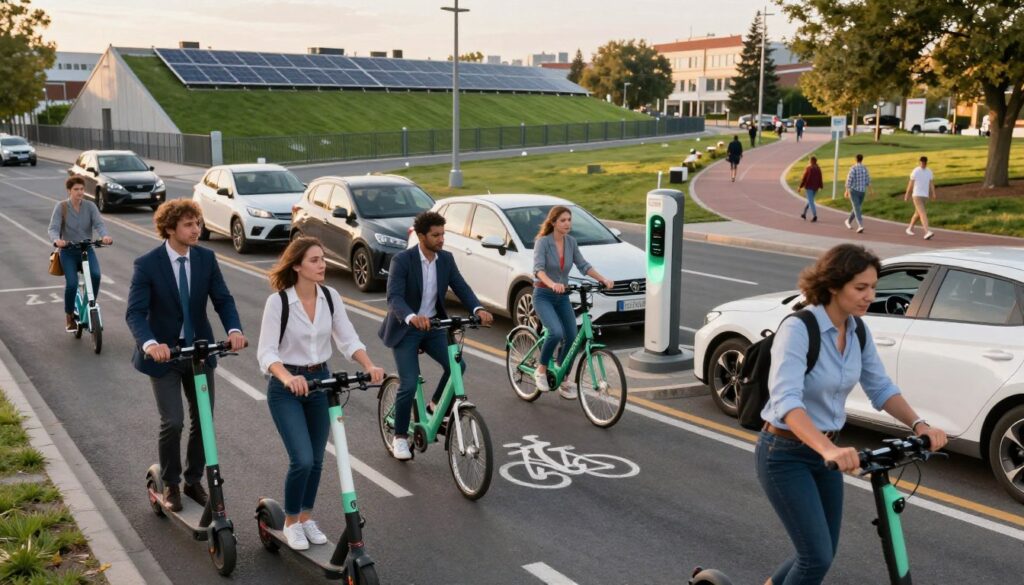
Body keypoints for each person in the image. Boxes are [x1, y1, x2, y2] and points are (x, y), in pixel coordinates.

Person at [757, 244, 948, 585]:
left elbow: (881, 388)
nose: (870, 296)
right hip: (784, 454)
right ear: (833, 285)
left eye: (873, 287)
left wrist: (921, 425)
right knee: (815, 558)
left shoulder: (858, 330)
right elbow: (787, 401)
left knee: (821, 552)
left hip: (828, 453)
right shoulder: (799, 329)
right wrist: (828, 449)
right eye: (861, 288)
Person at [257, 237, 384, 550]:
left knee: (316, 461)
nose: (322, 264)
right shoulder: (279, 302)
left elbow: (347, 337)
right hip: (287, 387)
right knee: (301, 459)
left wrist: (369, 365)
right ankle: (290, 522)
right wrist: (288, 378)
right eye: (314, 260)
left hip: (321, 383)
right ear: (297, 265)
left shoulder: (330, 296)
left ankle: (305, 518)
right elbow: (266, 352)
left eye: (323, 258)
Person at [125, 200, 246, 512]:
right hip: (164, 358)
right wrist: (150, 344)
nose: (197, 230)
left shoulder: (206, 258)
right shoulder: (148, 264)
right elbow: (135, 314)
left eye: (198, 223)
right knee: (174, 421)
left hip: (200, 353)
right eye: (189, 225)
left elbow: (223, 299)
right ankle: (173, 483)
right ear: (170, 229)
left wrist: (233, 329)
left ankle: (193, 480)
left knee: (204, 421)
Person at [378, 211, 494, 461]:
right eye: (436, 235)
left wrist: (477, 309)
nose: (441, 239)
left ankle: (433, 408)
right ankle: (399, 437)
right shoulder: (403, 260)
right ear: (421, 236)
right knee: (408, 384)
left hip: (433, 327)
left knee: (458, 367)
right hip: (406, 329)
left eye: (443, 234)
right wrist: (411, 316)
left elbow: (461, 286)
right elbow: (394, 297)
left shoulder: (446, 259)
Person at [532, 206, 615, 398]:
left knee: (572, 336)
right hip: (543, 294)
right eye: (563, 220)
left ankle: (563, 377)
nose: (567, 223)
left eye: (569, 219)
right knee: (556, 332)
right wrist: (552, 284)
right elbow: (538, 270)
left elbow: (583, 265)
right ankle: (541, 370)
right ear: (553, 223)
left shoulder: (571, 242)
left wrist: (602, 279)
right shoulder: (542, 243)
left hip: (562, 297)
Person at [48, 176, 113, 332]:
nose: (80, 192)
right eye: (76, 189)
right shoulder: (61, 207)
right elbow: (53, 228)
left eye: (82, 189)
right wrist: (57, 240)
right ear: (69, 190)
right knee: (72, 284)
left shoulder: (90, 206)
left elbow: (99, 224)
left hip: (86, 249)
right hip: (68, 252)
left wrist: (105, 236)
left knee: (96, 276)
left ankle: (88, 303)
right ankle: (69, 316)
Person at [905, 156, 936, 240]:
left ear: (926, 162)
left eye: (924, 162)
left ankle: (909, 228)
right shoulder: (916, 171)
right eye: (921, 162)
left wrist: (933, 193)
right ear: (919, 162)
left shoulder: (929, 172)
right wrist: (907, 194)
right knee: (923, 213)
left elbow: (931, 183)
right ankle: (927, 232)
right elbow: (910, 183)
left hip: (925, 195)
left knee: (918, 214)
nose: (923, 164)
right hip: (917, 195)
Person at [843, 154, 873, 234]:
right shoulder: (865, 168)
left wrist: (846, 190)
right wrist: (870, 191)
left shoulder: (853, 168)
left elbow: (849, 180)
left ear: (855, 159)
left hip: (855, 191)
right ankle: (860, 225)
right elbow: (868, 180)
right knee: (857, 208)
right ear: (862, 159)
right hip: (860, 192)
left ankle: (848, 221)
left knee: (857, 208)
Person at [797, 156, 823, 222]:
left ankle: (815, 216)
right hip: (815, 188)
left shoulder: (809, 168)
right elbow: (820, 178)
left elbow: (804, 178)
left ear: (811, 161)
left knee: (811, 202)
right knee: (810, 201)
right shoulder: (818, 168)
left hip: (809, 187)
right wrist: (820, 186)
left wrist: (800, 187)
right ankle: (804, 213)